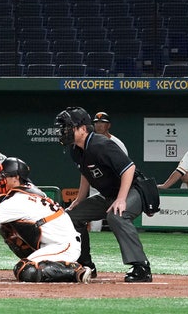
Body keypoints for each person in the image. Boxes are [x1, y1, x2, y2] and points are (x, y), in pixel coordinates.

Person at [55, 107, 153, 283]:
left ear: (83, 129)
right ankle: (85, 265)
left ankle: (141, 267)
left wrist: (122, 199)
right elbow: (85, 173)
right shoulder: (76, 149)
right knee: (71, 217)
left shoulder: (101, 144)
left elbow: (129, 169)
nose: (64, 131)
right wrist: (79, 199)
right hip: (109, 195)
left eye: (69, 127)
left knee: (116, 216)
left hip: (134, 189)